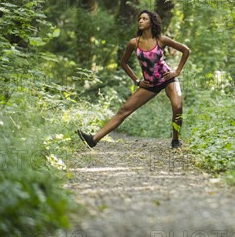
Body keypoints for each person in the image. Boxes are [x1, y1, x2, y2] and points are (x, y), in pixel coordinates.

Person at [77, 10, 191, 149]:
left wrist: (177, 71)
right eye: (139, 19)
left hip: (167, 78)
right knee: (124, 110)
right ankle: (93, 139)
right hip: (149, 83)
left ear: (151, 22)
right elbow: (123, 63)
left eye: (144, 19)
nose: (141, 21)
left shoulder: (161, 39)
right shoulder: (134, 43)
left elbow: (186, 50)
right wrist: (137, 81)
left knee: (177, 106)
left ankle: (175, 139)